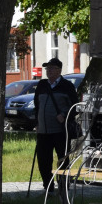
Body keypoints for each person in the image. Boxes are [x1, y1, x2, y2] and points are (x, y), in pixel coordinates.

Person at [33, 57, 79, 189]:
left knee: (63, 159)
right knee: (43, 161)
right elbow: (37, 106)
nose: (49, 71)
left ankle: (64, 186)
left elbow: (75, 107)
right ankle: (48, 187)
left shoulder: (67, 86)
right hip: (43, 131)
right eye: (47, 68)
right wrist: (37, 122)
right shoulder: (42, 85)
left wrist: (64, 115)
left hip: (61, 131)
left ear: (59, 70)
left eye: (52, 68)